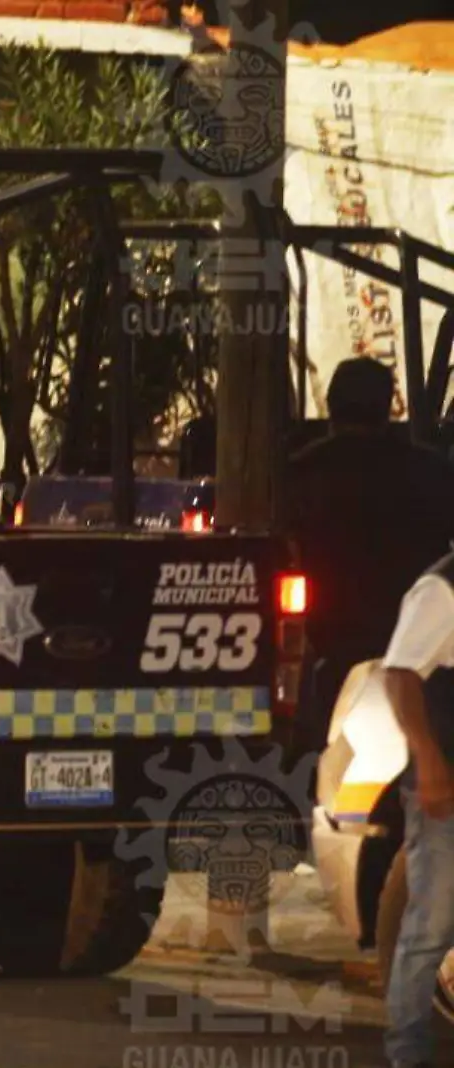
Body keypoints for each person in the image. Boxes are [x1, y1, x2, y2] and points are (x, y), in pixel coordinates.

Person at [287, 357, 454, 755]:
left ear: (330, 404)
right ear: (389, 405)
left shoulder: (298, 474)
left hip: (327, 649)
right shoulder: (430, 471)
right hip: (415, 657)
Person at [373, 556, 454, 1068]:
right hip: (447, 784)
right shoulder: (441, 589)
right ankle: (408, 1055)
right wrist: (428, 760)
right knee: (429, 929)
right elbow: (399, 674)